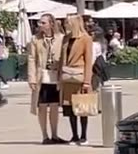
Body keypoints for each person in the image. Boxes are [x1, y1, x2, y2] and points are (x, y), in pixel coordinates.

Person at [27, 13, 67, 145]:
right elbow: (32, 58)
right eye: (39, 22)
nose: (40, 25)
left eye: (43, 22)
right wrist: (31, 77)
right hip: (41, 76)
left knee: (55, 106)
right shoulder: (35, 39)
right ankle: (45, 135)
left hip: (55, 76)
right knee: (42, 106)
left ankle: (55, 134)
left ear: (51, 24)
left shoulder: (61, 38)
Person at [59, 13, 94, 145]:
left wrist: (87, 81)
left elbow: (89, 60)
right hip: (67, 76)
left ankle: (84, 135)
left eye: (67, 22)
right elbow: (62, 58)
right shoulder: (66, 38)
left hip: (80, 76)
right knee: (70, 107)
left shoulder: (86, 39)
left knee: (82, 106)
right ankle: (74, 135)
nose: (65, 24)